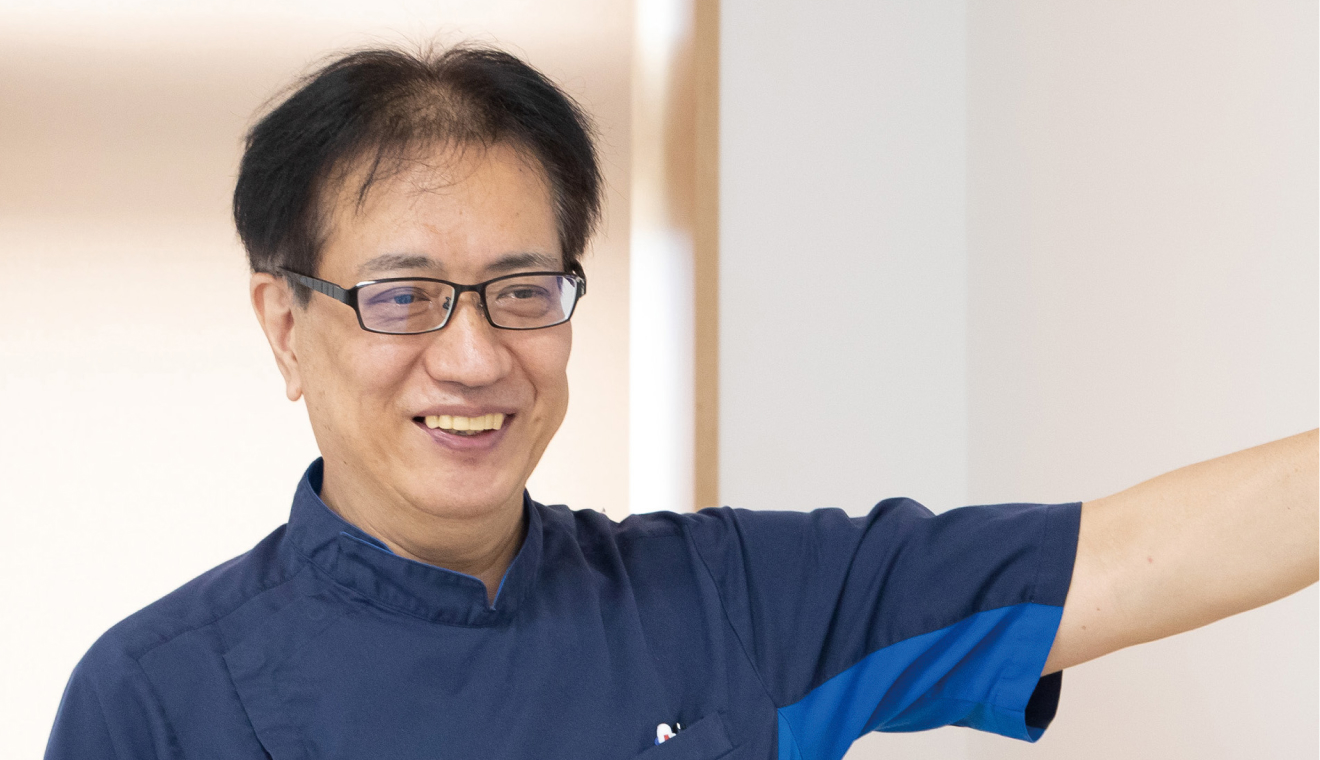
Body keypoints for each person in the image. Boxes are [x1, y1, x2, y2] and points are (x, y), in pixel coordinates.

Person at [44, 44, 1317, 760]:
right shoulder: (155, 697)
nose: (475, 357)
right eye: (405, 296)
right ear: (286, 325)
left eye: (523, 289)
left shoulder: (725, 600)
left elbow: (1125, 561)